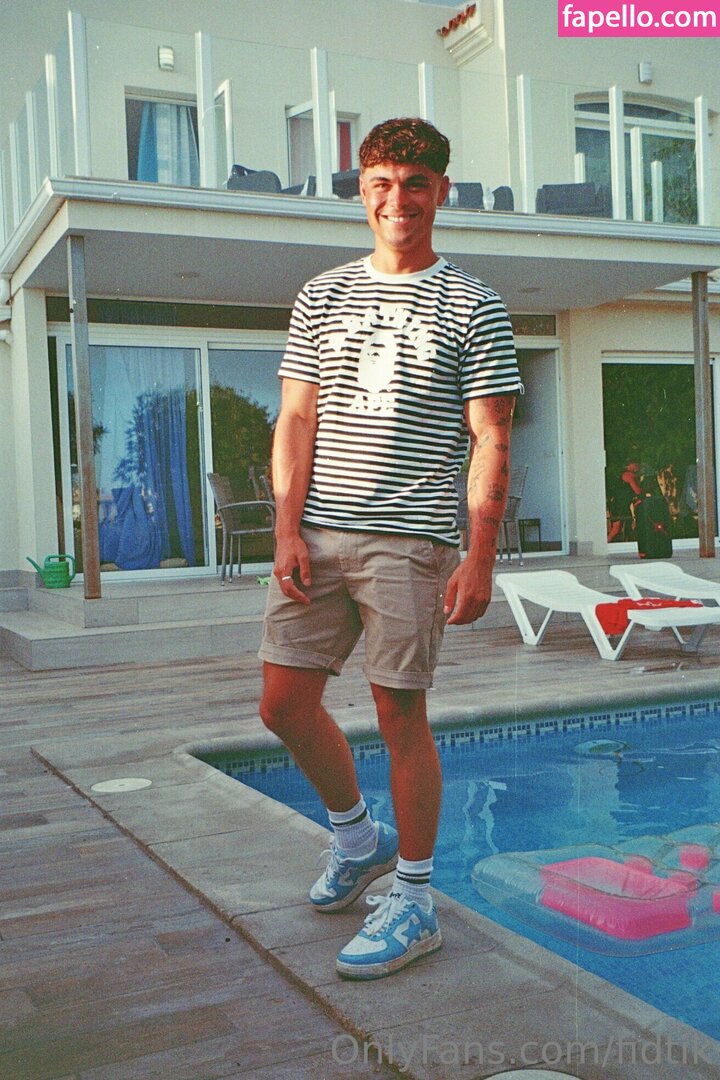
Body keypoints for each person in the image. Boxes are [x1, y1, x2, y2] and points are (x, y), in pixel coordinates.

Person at [258, 117, 522, 980]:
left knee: (399, 713)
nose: (396, 199)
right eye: (381, 182)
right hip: (317, 532)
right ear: (361, 191)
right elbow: (296, 418)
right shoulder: (321, 294)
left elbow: (491, 437)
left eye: (414, 183)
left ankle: (414, 898)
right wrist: (286, 527)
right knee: (282, 704)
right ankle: (357, 839)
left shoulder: (474, 303)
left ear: (441, 190)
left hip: (410, 540)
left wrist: (480, 554)